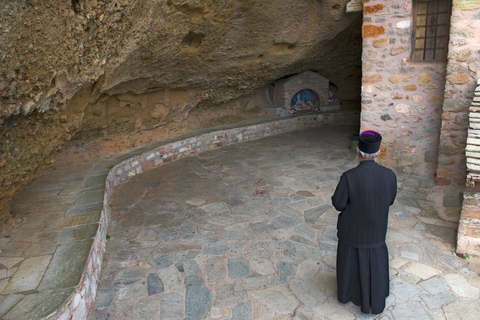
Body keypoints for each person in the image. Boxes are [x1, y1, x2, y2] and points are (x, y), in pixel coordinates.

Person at [331, 131, 397, 314]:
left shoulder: (349, 177)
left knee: (350, 259)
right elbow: (390, 200)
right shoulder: (390, 175)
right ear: (378, 152)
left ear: (358, 151)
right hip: (376, 232)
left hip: (352, 233)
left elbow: (338, 204)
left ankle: (347, 294)